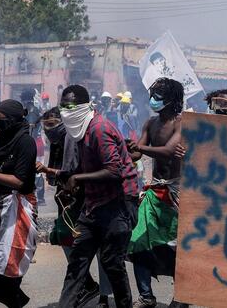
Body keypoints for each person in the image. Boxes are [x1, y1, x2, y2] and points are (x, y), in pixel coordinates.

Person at [57, 85, 141, 308]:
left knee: (112, 262)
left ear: (85, 106)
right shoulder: (79, 129)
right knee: (78, 260)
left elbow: (114, 172)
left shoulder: (99, 129)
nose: (66, 110)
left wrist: (79, 179)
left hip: (119, 202)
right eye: (63, 105)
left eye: (71, 105)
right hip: (95, 202)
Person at [35, 107, 111, 308]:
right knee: (67, 240)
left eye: (52, 125)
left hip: (90, 199)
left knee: (100, 248)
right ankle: (87, 284)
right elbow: (59, 177)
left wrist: (54, 174)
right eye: (46, 126)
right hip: (67, 201)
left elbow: (78, 171)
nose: (49, 129)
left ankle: (103, 295)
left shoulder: (76, 138)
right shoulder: (58, 142)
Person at [127, 78, 189, 308]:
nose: (153, 99)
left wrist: (137, 148)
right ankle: (146, 295)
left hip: (177, 190)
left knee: (176, 246)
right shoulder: (150, 123)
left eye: (158, 95)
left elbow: (169, 151)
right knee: (138, 239)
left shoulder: (181, 124)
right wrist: (125, 147)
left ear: (172, 99)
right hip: (154, 190)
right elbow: (135, 155)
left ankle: (182, 296)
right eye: (152, 94)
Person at [0, 100, 38, 308]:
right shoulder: (0, 141)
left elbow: (19, 181)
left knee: (6, 273)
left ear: (13, 121)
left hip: (20, 207)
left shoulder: (25, 142)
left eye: (1, 122)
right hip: (1, 205)